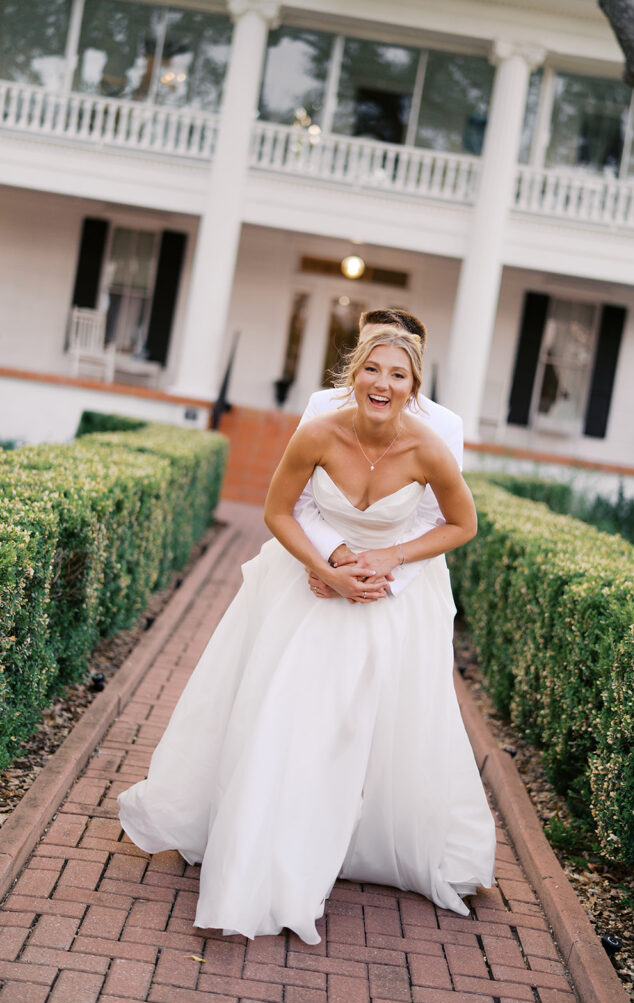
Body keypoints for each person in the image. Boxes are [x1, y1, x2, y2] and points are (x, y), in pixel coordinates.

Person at [118, 322, 495, 945]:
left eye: (398, 374)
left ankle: (346, 836)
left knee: (356, 728)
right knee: (289, 719)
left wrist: (390, 559)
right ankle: (266, 857)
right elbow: (279, 510)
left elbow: (461, 524)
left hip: (384, 603)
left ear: (413, 386)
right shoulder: (319, 430)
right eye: (373, 368)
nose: (383, 383)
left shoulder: (430, 446)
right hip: (312, 593)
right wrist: (325, 569)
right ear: (355, 373)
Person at [294, 309, 464, 603]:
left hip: (398, 581)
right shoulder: (322, 406)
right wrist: (329, 561)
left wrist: (377, 574)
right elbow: (299, 498)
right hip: (316, 569)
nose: (378, 372)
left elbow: (434, 517)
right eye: (366, 350)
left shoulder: (444, 426)